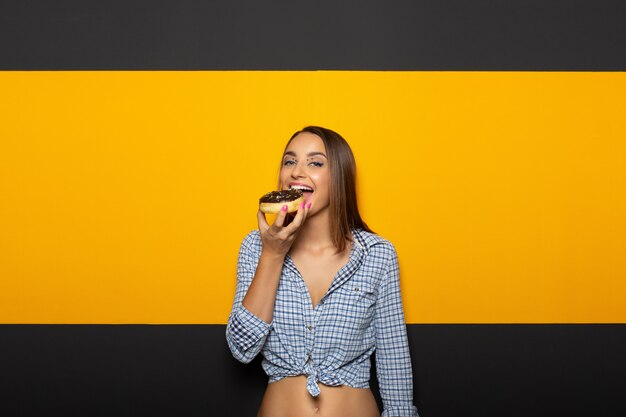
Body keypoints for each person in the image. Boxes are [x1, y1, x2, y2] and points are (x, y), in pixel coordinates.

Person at [226, 126, 419, 417]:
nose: (297, 172)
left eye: (315, 163)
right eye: (289, 161)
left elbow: (394, 358)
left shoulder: (377, 254)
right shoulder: (256, 247)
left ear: (339, 176)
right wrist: (272, 255)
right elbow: (242, 349)